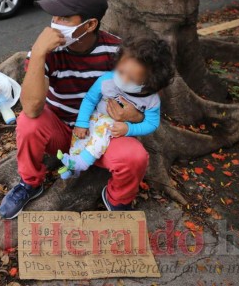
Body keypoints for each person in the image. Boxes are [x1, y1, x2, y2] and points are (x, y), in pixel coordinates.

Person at [0, 0, 149, 219]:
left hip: (101, 134)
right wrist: (38, 53)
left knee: (136, 157)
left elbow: (145, 97)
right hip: (59, 130)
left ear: (89, 25)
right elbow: (31, 107)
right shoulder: (47, 51)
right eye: (54, 15)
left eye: (65, 18)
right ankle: (30, 183)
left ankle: (117, 198)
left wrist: (136, 116)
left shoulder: (118, 53)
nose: (54, 24)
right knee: (28, 122)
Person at [56, 36, 174, 212]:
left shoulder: (151, 100)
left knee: (104, 140)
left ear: (151, 82)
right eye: (121, 71)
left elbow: (152, 123)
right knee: (81, 139)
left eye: (132, 78)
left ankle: (90, 173)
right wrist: (81, 123)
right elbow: (89, 99)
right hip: (96, 120)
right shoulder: (106, 81)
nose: (123, 79)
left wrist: (129, 128)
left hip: (116, 132)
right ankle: (73, 164)